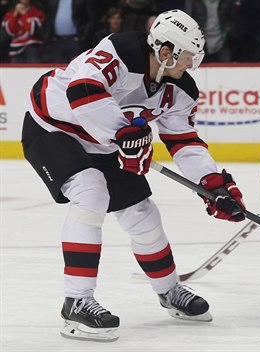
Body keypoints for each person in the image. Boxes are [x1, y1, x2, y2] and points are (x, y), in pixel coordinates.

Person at [20, 9, 246, 342]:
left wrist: (211, 184)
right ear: (165, 51)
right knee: (91, 190)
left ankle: (169, 291)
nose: (190, 65)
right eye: (186, 56)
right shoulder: (120, 51)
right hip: (53, 128)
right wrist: (123, 135)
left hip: (106, 141)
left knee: (142, 211)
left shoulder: (181, 89)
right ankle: (76, 301)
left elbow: (184, 140)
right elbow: (82, 91)